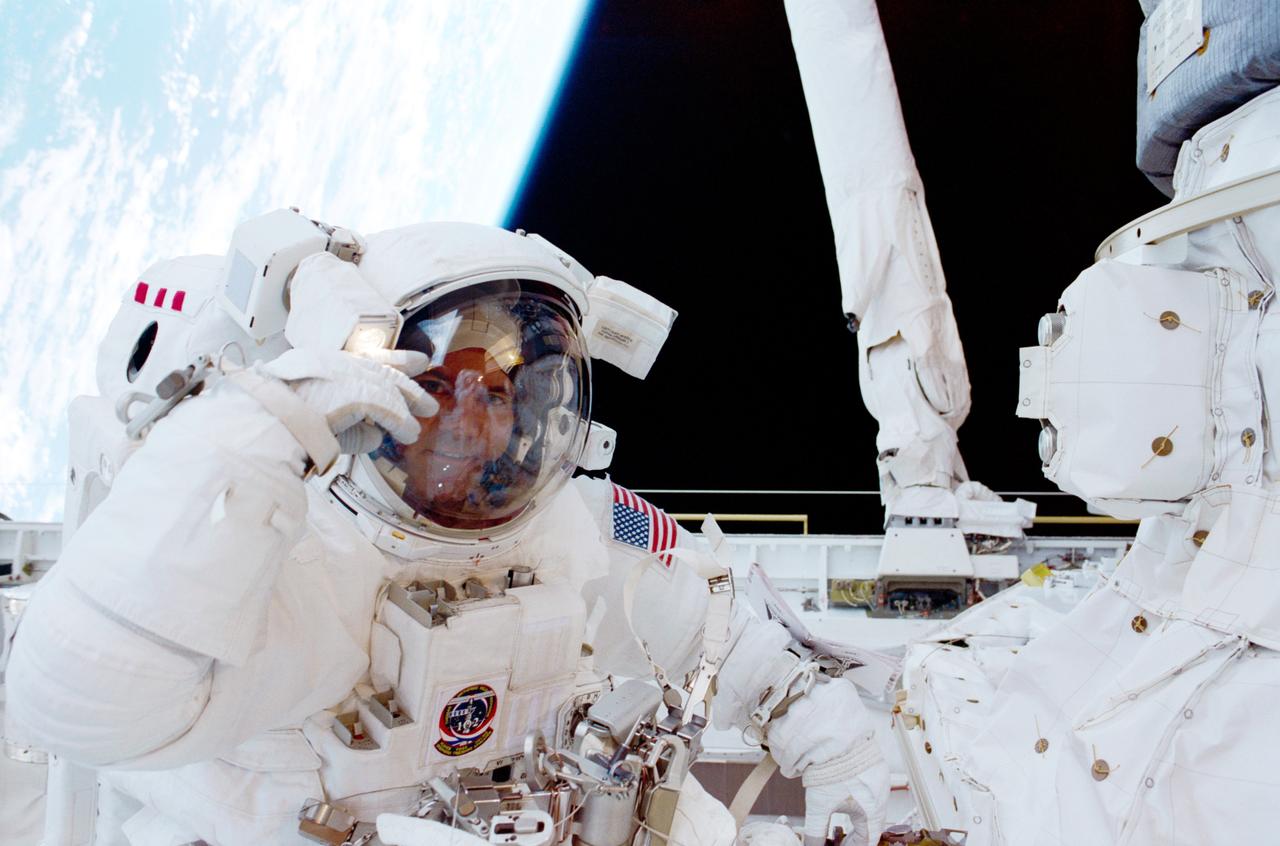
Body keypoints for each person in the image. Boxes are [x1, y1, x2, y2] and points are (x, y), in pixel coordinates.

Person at [4, 219, 887, 846]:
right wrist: (256, 434)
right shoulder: (300, 562)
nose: (471, 411)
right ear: (368, 386)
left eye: (498, 391)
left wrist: (831, 738)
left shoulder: (571, 534)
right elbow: (80, 704)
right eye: (442, 379)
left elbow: (715, 632)